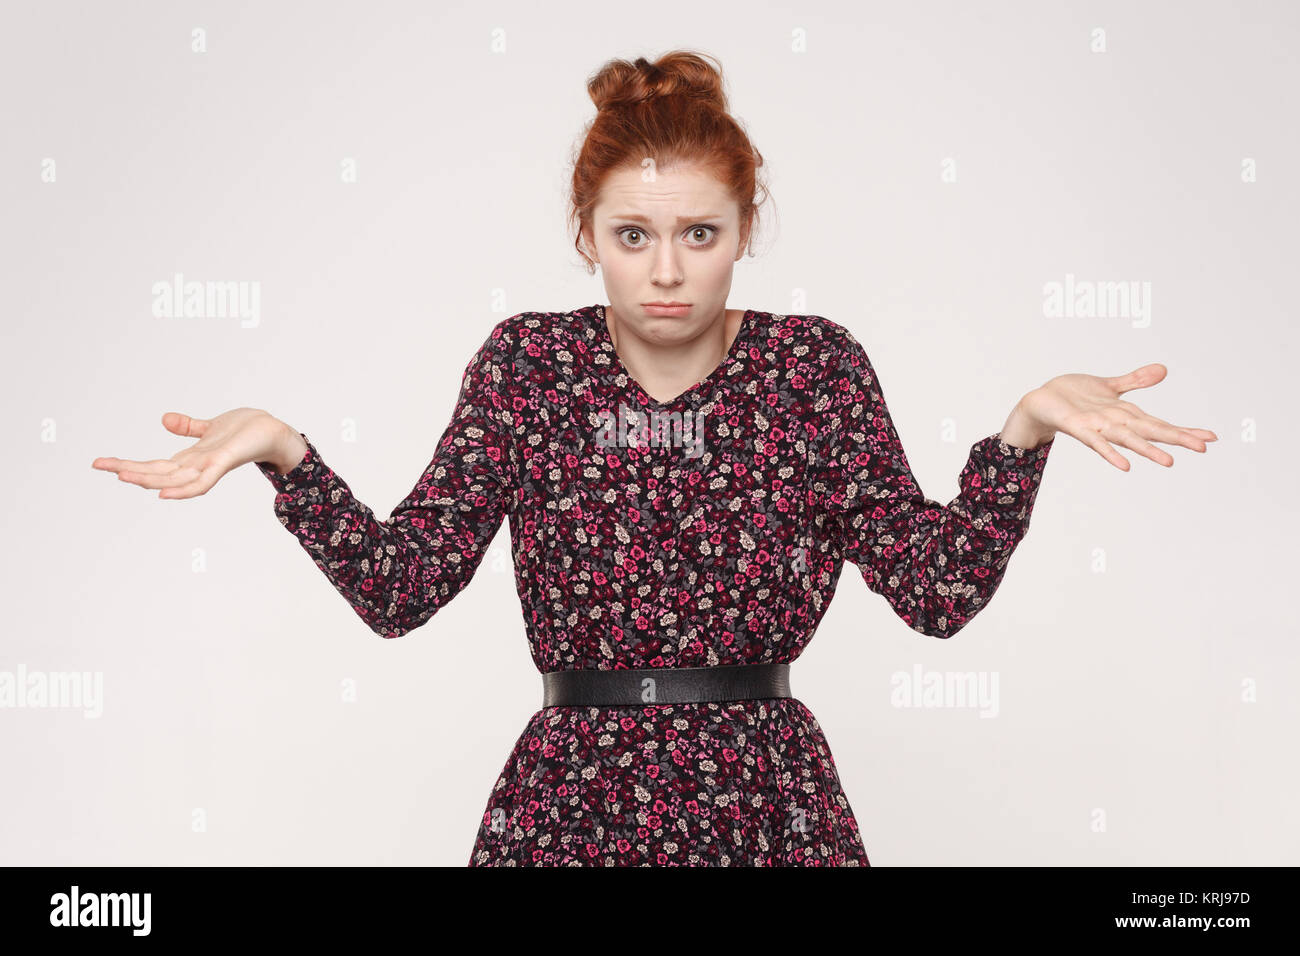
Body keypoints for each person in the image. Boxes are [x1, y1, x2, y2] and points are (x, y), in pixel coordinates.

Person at [92, 51, 1218, 866]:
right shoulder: (529, 363)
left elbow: (935, 593)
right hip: (569, 801)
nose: (666, 271)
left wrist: (1020, 433)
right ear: (587, 233)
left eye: (699, 234)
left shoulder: (812, 369)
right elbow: (402, 587)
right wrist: (287, 456)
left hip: (767, 798)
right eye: (633, 236)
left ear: (745, 227)